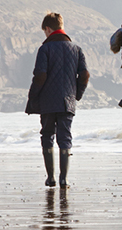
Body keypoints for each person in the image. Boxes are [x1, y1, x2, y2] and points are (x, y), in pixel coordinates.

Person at [25, 12, 89, 187]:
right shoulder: (76, 49)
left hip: (47, 102)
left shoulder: (44, 49)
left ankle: (51, 177)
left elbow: (40, 76)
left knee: (47, 135)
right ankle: (64, 178)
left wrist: (33, 96)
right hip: (67, 101)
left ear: (47, 28)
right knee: (65, 137)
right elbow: (84, 75)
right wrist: (77, 94)